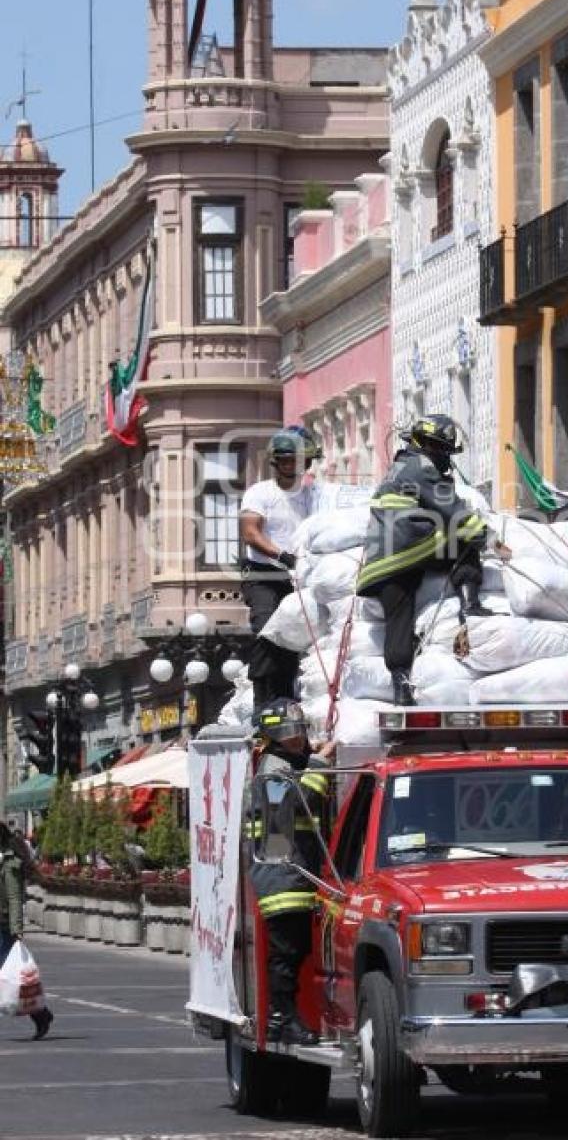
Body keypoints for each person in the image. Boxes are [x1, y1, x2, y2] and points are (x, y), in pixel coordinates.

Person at [356, 415, 494, 705]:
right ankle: (471, 606)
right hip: (409, 550)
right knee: (465, 539)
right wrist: (487, 538)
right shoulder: (424, 469)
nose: (444, 457)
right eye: (441, 449)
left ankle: (401, 688)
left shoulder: (398, 468)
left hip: (379, 567)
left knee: (399, 621)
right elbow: (455, 513)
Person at [249, 702, 334, 1047]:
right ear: (272, 737)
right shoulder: (272, 770)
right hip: (282, 878)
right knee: (286, 954)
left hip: (293, 874)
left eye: (300, 732)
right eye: (289, 734)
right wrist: (320, 763)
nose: (298, 739)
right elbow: (300, 802)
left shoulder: (283, 763)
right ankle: (281, 1019)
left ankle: (284, 1016)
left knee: (294, 953)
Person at [239, 427, 323, 707]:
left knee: (295, 636)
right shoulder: (260, 492)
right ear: (275, 461)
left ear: (307, 462)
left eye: (295, 460)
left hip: (301, 576)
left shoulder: (314, 496)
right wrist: (283, 555)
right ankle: (262, 699)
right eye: (284, 460)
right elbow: (251, 532)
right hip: (265, 574)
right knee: (267, 630)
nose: (290, 466)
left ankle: (288, 696)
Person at [0, 821, 52, 1040]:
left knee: (12, 977)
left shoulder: (10, 862)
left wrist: (17, 929)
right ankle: (41, 1014)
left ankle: (40, 1014)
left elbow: (13, 898)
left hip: (3, 926)